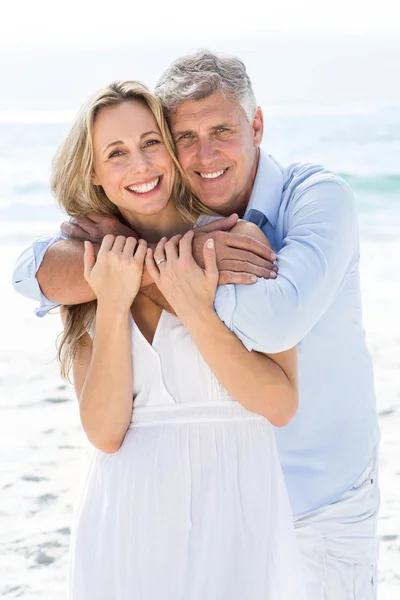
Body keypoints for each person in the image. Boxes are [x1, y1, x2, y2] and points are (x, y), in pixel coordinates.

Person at [13, 51, 380, 599]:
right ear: (92, 171)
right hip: (134, 519)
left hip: (298, 505)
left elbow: (277, 349)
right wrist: (127, 286)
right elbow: (28, 277)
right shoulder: (97, 273)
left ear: (256, 126)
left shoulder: (260, 232)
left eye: (149, 143)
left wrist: (160, 271)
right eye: (116, 152)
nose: (142, 164)